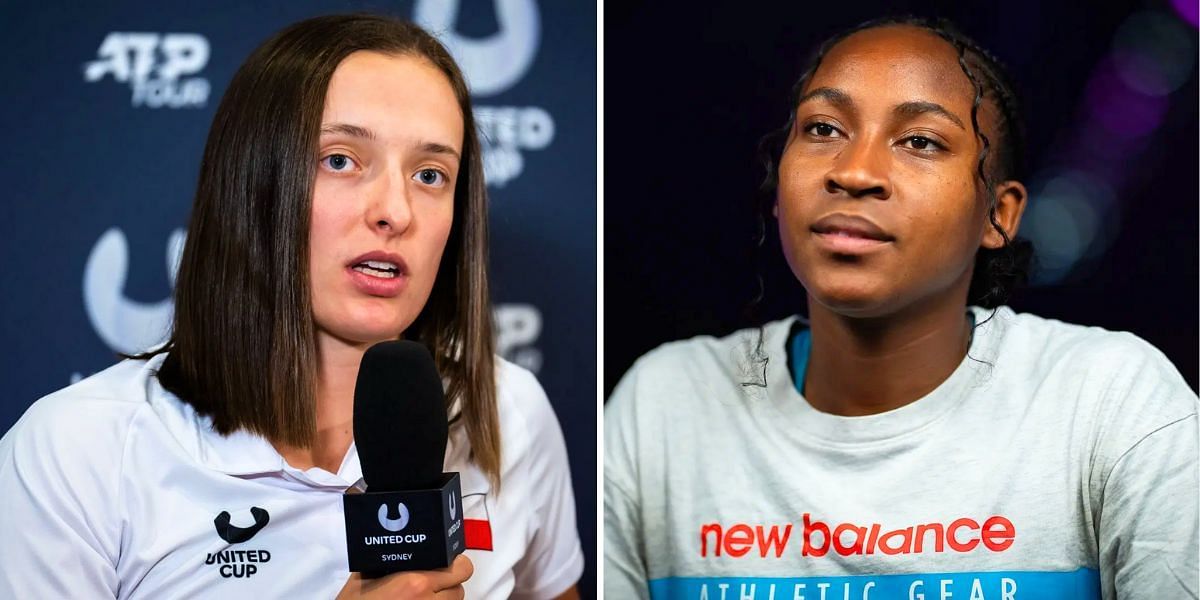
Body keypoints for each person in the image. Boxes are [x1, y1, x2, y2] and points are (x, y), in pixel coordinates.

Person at [605, 16, 1198, 600]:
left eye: (920, 141)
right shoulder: (666, 404)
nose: (855, 172)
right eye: (824, 129)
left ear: (1000, 216)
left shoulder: (1110, 401)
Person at [0, 14, 582, 599]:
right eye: (340, 160)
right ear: (250, 183)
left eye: (430, 174)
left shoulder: (509, 409)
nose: (396, 211)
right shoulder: (72, 453)